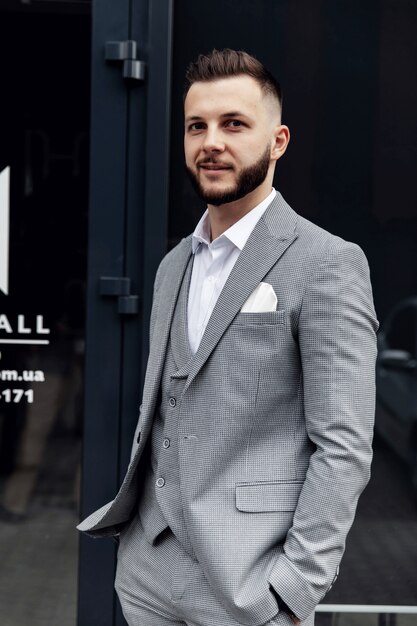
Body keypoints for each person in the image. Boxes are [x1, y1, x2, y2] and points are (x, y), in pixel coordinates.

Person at [78, 49, 378, 626]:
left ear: (279, 141)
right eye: (197, 126)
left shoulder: (328, 262)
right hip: (146, 575)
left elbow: (343, 447)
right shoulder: (172, 268)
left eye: (233, 124)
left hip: (248, 588)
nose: (210, 141)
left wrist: (294, 588)